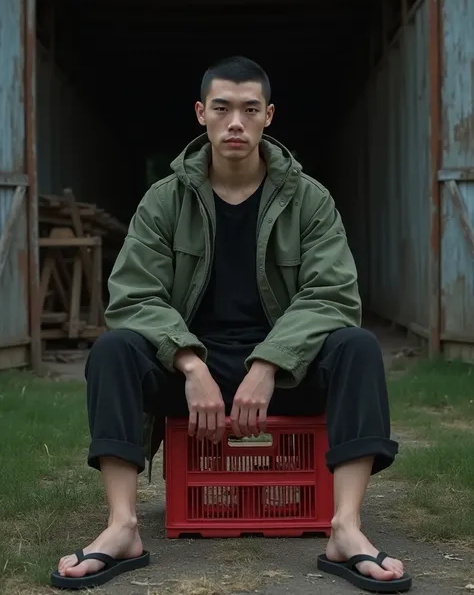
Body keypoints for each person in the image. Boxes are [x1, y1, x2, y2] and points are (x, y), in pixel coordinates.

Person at [51, 56, 411, 592]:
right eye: (222, 108)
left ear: (269, 115)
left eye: (249, 109)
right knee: (114, 350)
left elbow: (332, 294)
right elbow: (133, 294)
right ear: (201, 114)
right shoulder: (165, 200)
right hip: (193, 374)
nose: (235, 122)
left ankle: (346, 529)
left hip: (285, 372)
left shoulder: (308, 199)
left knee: (357, 346)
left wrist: (270, 361)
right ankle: (122, 527)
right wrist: (189, 362)